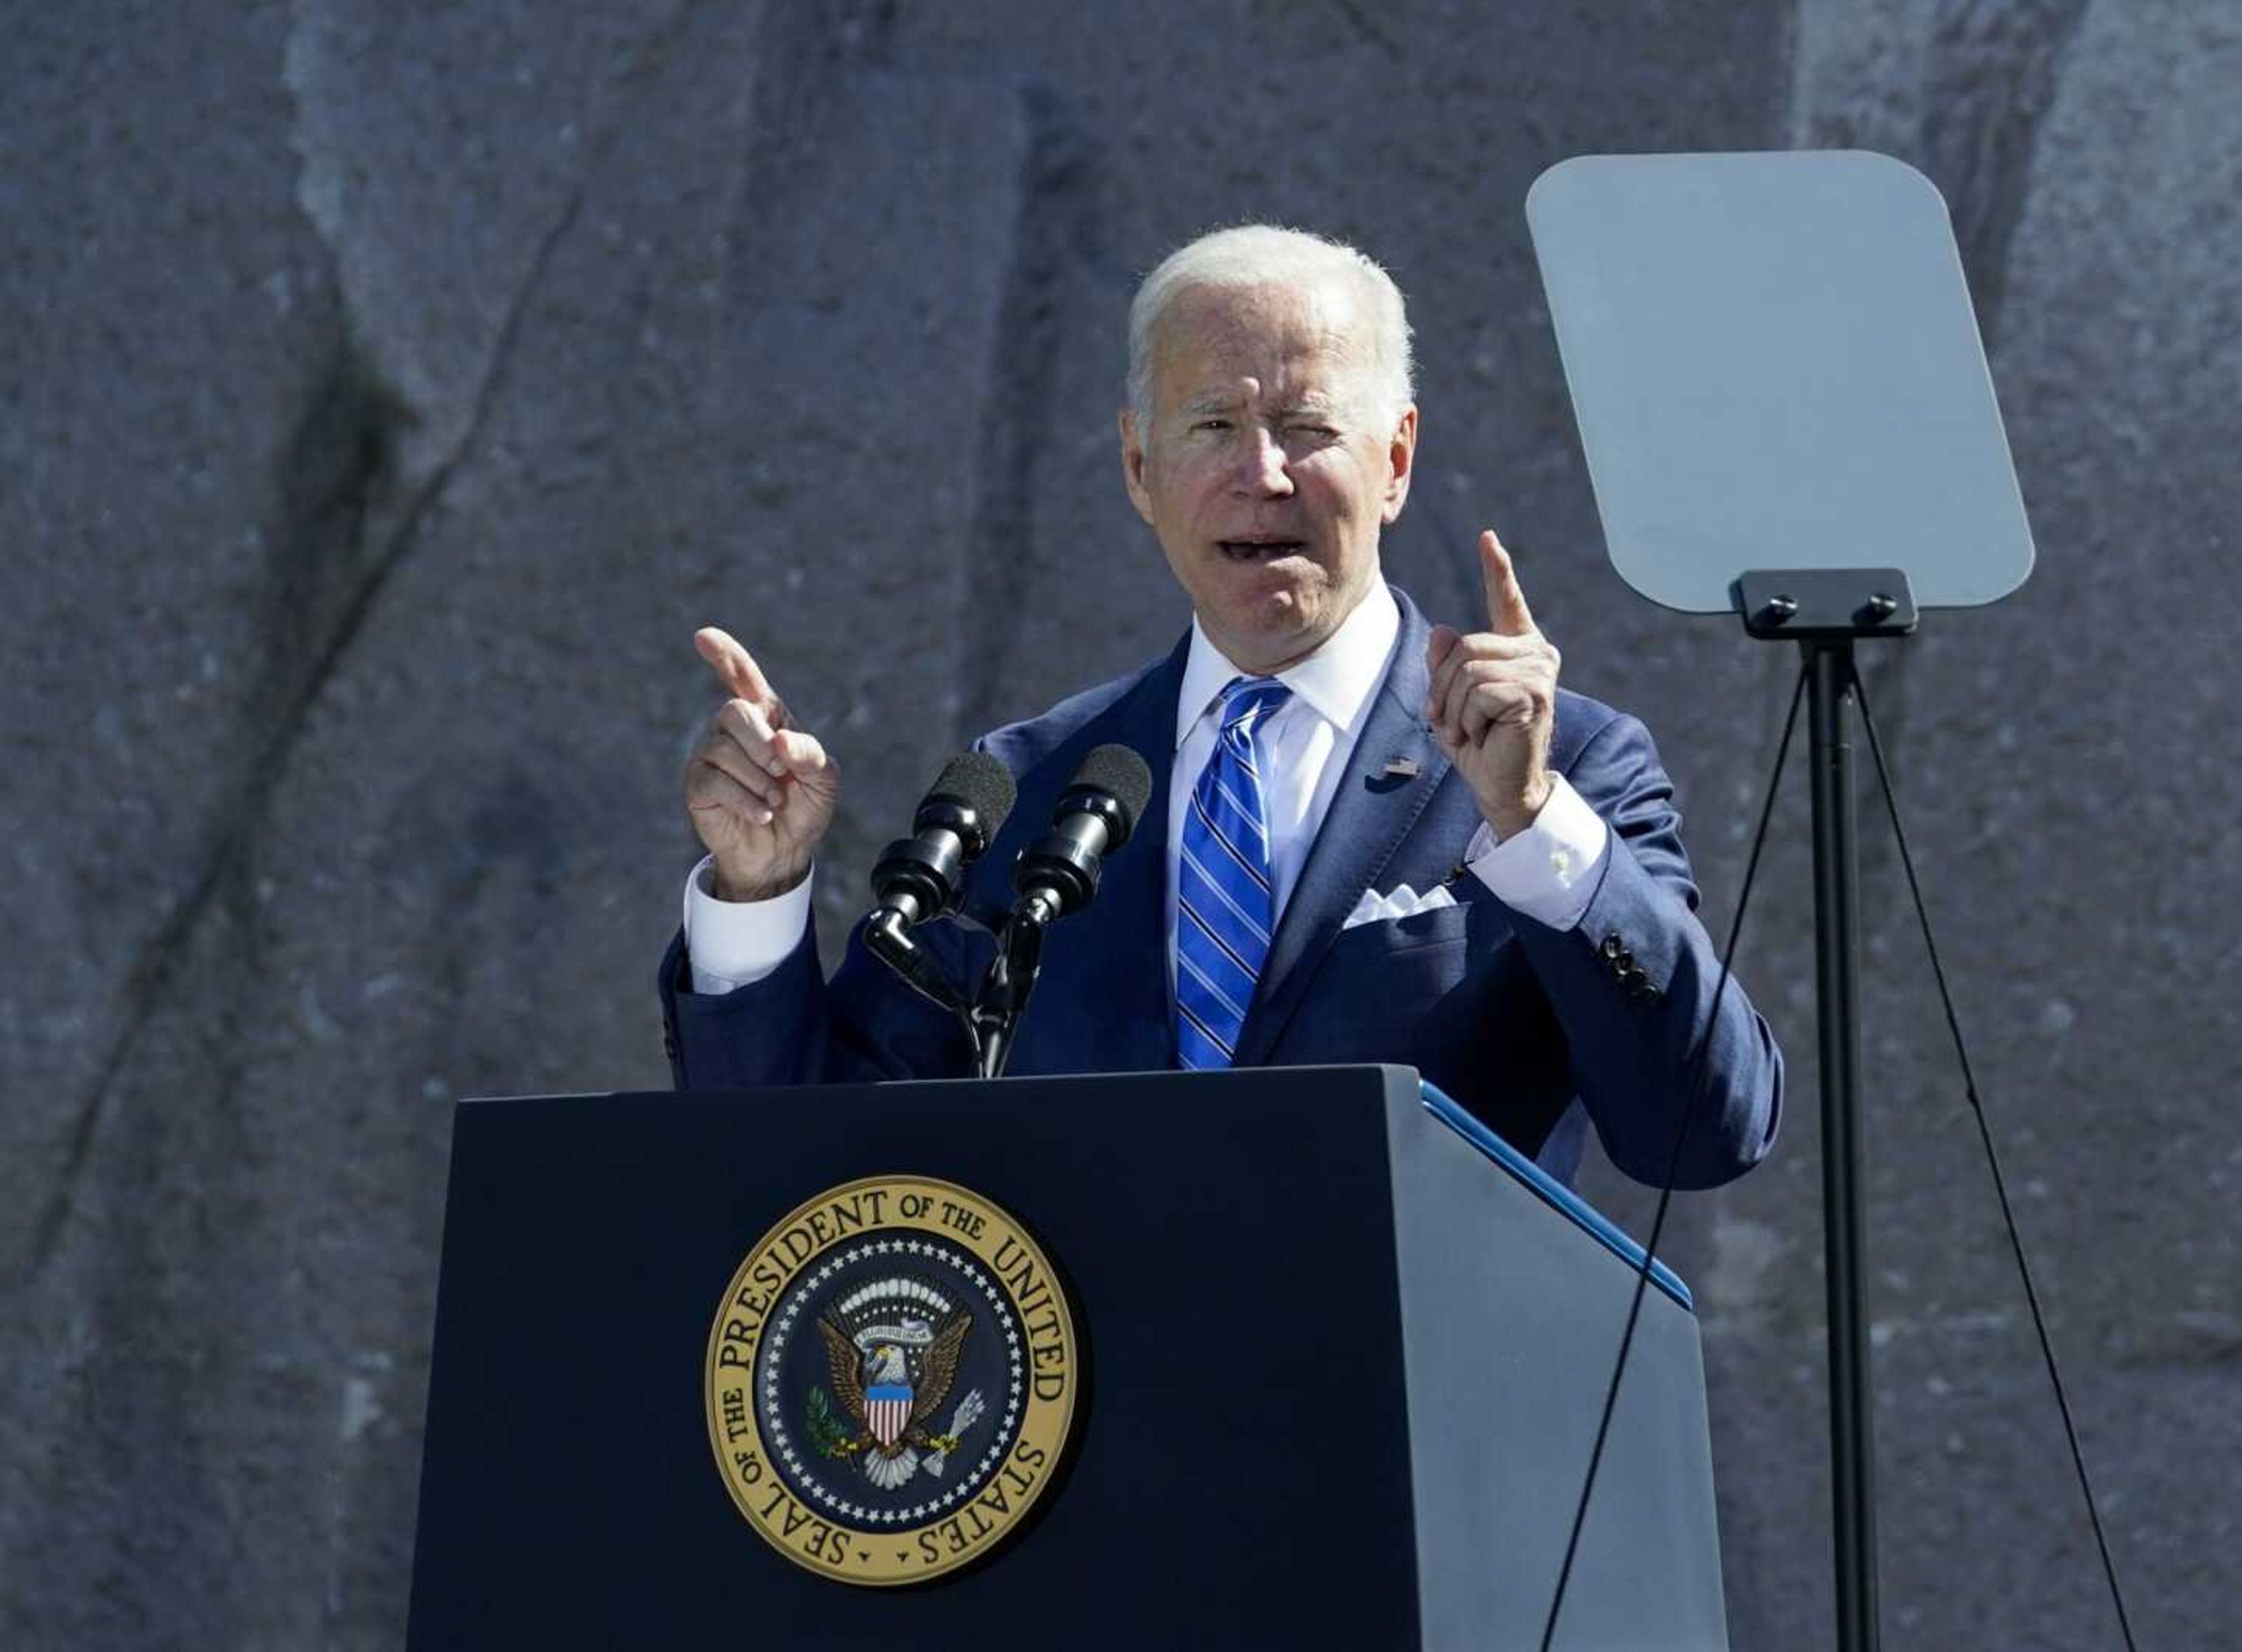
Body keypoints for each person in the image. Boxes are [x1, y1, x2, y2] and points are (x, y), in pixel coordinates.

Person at [660, 225, 1780, 1189]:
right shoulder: (1037, 787)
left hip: (1410, 1421)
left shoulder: (1565, 766)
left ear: (1395, 461)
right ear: (1139, 467)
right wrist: (758, 892)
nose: (1264, 473)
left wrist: (1534, 823)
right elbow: (805, 1166)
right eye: (1211, 428)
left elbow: (1704, 1129)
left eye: (1307, 426)